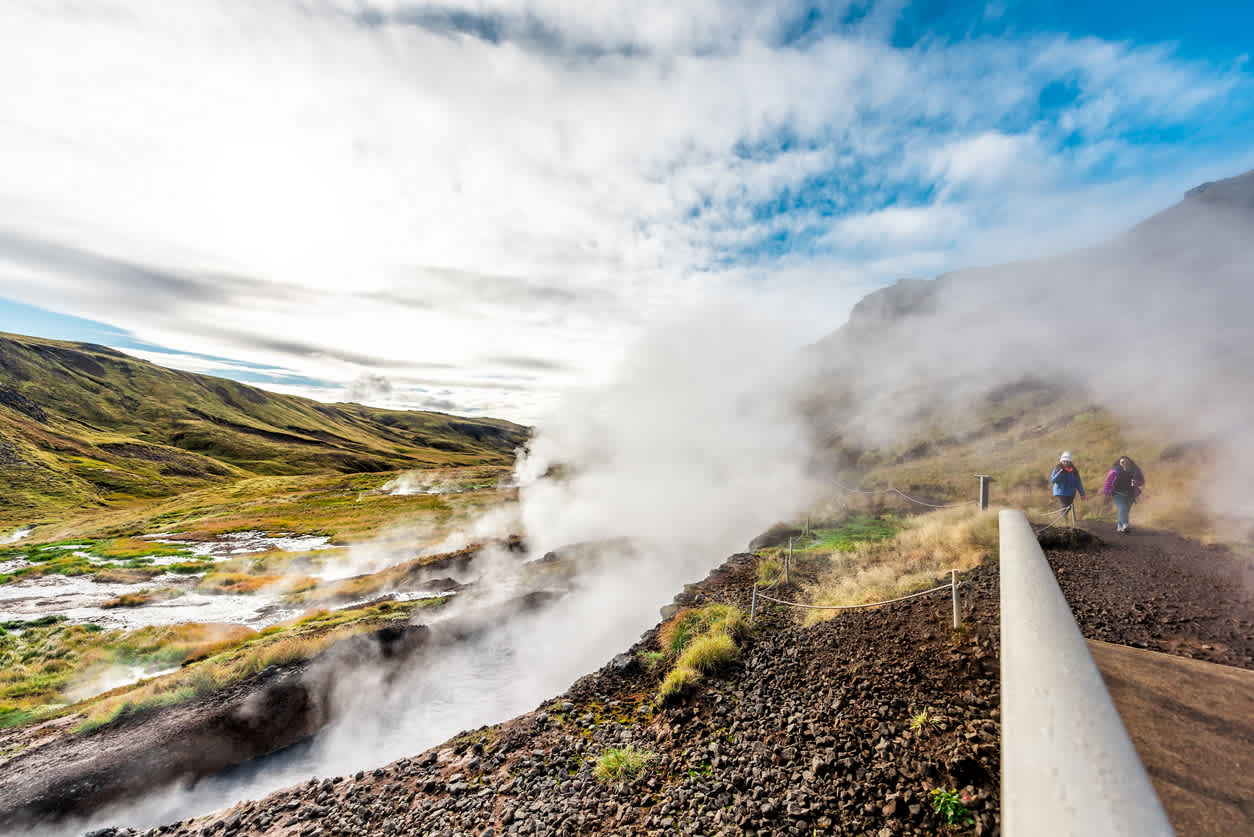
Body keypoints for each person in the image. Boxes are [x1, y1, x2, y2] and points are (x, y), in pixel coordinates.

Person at [1102, 455, 1145, 533]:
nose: (1124, 463)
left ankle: (1120, 525)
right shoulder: (1115, 471)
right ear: (1119, 463)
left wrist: (1137, 482)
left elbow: (1142, 481)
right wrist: (1106, 494)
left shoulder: (1135, 471)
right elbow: (1108, 482)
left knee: (1125, 510)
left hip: (1130, 494)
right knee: (1123, 508)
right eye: (1122, 462)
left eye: (1126, 462)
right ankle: (1125, 525)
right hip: (1117, 494)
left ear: (1130, 463)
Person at [1049, 452, 1086, 521]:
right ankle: (1064, 521)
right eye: (1064, 461)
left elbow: (1078, 483)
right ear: (1061, 461)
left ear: (1070, 462)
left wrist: (1082, 494)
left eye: (1067, 461)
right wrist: (1058, 474)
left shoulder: (1074, 471)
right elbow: (1052, 480)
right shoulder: (1057, 469)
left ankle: (1067, 521)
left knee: (1069, 508)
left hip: (1070, 493)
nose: (1065, 463)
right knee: (1065, 506)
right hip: (1060, 492)